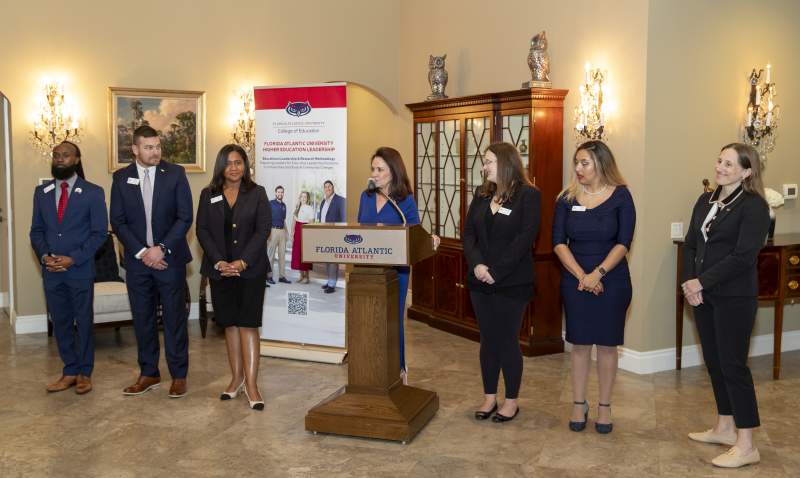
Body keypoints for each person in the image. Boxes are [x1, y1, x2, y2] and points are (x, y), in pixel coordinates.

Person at [682, 143, 769, 468]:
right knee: (715, 363)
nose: (720, 167)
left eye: (730, 164)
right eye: (720, 161)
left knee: (733, 366)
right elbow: (691, 245)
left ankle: (747, 445)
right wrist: (690, 284)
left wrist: (701, 282)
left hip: (734, 297)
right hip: (703, 295)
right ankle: (724, 427)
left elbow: (743, 256)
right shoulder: (705, 199)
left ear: (747, 171)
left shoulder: (754, 206)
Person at [552, 140, 635, 434]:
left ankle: (604, 407)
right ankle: (578, 404)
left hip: (612, 279)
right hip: (574, 280)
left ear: (601, 164)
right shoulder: (566, 198)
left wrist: (597, 274)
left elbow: (624, 243)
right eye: (576, 162)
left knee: (608, 345)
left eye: (584, 163)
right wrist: (582, 276)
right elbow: (558, 243)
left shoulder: (622, 196)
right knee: (580, 344)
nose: (578, 168)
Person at [110, 125, 193, 398]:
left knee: (174, 320)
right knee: (143, 320)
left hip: (170, 261)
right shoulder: (121, 178)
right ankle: (149, 373)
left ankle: (178, 375)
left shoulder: (175, 173)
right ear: (135, 149)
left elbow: (185, 217)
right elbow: (118, 222)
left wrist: (162, 249)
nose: (155, 152)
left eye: (157, 146)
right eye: (148, 147)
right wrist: (143, 253)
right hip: (138, 264)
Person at [463, 142, 540, 423]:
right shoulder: (482, 194)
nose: (484, 167)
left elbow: (524, 239)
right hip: (480, 281)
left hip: (512, 282)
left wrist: (496, 271)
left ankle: (511, 401)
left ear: (506, 163)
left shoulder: (528, 195)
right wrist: (478, 265)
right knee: (488, 339)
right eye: (484, 162)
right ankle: (489, 397)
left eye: (489, 162)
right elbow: (468, 234)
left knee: (507, 339)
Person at [30, 141, 108, 395]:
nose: (60, 159)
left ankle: (85, 373)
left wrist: (73, 258)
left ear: (76, 160)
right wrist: (45, 256)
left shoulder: (93, 192)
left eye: (65, 155)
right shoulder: (41, 192)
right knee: (61, 322)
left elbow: (99, 234)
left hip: (79, 269)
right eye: (56, 155)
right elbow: (36, 231)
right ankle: (70, 371)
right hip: (52, 271)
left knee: (83, 321)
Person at [196, 144, 270, 411]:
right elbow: (202, 230)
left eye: (238, 162)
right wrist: (219, 262)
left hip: (251, 270)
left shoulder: (257, 193)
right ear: (221, 166)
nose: (234, 168)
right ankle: (236, 379)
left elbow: (263, 231)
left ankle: (252, 385)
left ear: (245, 166)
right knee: (229, 324)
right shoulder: (209, 194)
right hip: (220, 271)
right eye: (228, 163)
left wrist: (242, 261)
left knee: (248, 324)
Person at [357, 147, 439, 381]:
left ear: (393, 171)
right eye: (373, 169)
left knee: (392, 319)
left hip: (396, 271)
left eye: (380, 169)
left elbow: (414, 234)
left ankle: (399, 369)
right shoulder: (366, 196)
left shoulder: (405, 201)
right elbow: (360, 230)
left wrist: (429, 239)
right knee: (368, 318)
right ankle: (370, 370)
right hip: (368, 269)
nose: (374, 174)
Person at [317, 180, 346, 293]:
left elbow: (343, 219)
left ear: (333, 187)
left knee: (333, 259)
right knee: (327, 259)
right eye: (325, 187)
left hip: (335, 234)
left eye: (329, 186)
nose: (327, 188)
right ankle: (329, 280)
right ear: (324, 189)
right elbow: (321, 218)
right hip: (324, 234)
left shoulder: (340, 200)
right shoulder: (323, 202)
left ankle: (332, 284)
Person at [267, 186, 290, 285]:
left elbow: (283, 220)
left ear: (283, 193)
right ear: (275, 193)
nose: (280, 194)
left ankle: (282, 276)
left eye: (281, 192)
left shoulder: (284, 205)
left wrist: (286, 233)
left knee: (282, 255)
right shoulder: (270, 203)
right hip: (273, 231)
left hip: (282, 232)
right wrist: (268, 233)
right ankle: (269, 276)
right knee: (271, 255)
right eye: (278, 192)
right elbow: (266, 218)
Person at [291, 191, 314, 284]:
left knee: (305, 254)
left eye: (305, 197)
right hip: (297, 232)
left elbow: (311, 222)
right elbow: (294, 222)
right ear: (300, 198)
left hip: (305, 230)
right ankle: (301, 275)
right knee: (297, 254)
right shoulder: (297, 207)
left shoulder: (310, 208)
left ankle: (307, 277)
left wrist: (309, 235)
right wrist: (292, 233)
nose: (303, 198)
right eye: (302, 196)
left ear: (307, 198)